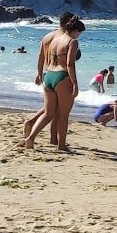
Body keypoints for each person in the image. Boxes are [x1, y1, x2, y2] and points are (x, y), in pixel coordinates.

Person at [23, 12, 84, 152]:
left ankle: (34, 136)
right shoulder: (71, 41)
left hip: (48, 74)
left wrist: (39, 74)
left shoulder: (50, 38)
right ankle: (60, 145)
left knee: (49, 112)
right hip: (62, 76)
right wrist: (75, 83)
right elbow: (70, 64)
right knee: (63, 114)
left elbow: (41, 56)